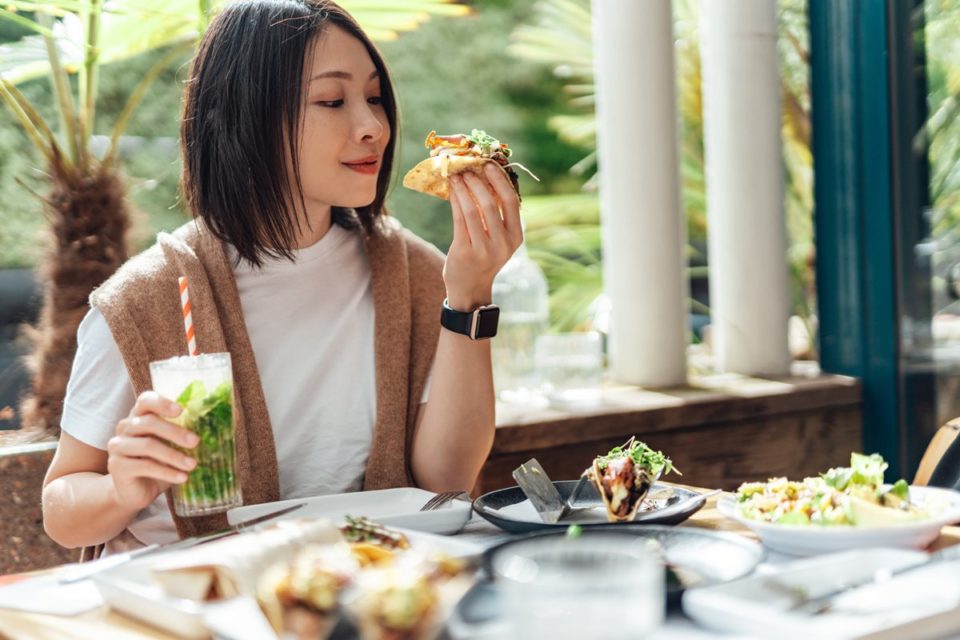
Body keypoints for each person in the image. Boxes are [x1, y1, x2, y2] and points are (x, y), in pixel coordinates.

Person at [41, 0, 521, 555]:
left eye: (373, 98)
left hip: (362, 598)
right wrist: (121, 490)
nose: (373, 127)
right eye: (332, 100)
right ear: (248, 118)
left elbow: (445, 483)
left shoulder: (414, 273)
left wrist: (468, 294)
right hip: (191, 604)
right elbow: (62, 508)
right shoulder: (148, 297)